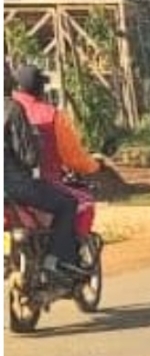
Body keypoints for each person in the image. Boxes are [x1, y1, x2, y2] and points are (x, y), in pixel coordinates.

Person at [3, 63, 88, 281]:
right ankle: (55, 262)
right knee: (67, 204)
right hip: (17, 187)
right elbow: (30, 157)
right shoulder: (14, 109)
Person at [10, 65, 102, 239]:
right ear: (40, 88)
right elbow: (74, 158)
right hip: (41, 184)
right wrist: (94, 166)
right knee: (82, 204)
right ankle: (65, 254)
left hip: (8, 188)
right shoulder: (51, 115)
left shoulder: (6, 109)